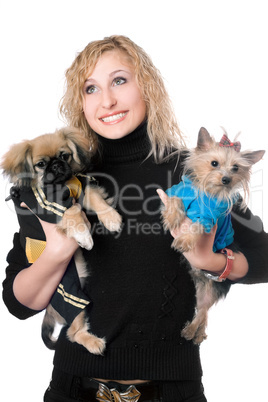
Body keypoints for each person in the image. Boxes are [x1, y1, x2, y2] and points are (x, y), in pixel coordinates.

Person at [2, 35, 268, 402]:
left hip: (172, 391)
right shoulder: (56, 179)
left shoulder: (194, 169)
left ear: (148, 86)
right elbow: (17, 303)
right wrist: (57, 252)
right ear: (80, 102)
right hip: (72, 389)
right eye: (90, 88)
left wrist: (212, 261)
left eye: (120, 81)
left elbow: (264, 257)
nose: (107, 100)